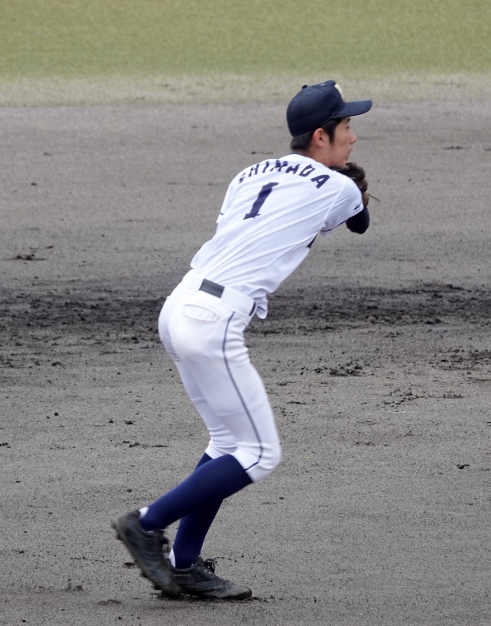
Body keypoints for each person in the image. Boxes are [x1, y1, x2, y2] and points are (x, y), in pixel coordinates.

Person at [112, 80, 373, 600]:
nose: (354, 136)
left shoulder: (247, 174)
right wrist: (354, 185)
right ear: (320, 136)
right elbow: (360, 223)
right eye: (347, 126)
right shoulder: (338, 187)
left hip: (180, 305)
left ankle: (183, 566)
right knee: (259, 454)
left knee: (227, 443)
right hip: (213, 320)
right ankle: (146, 523)